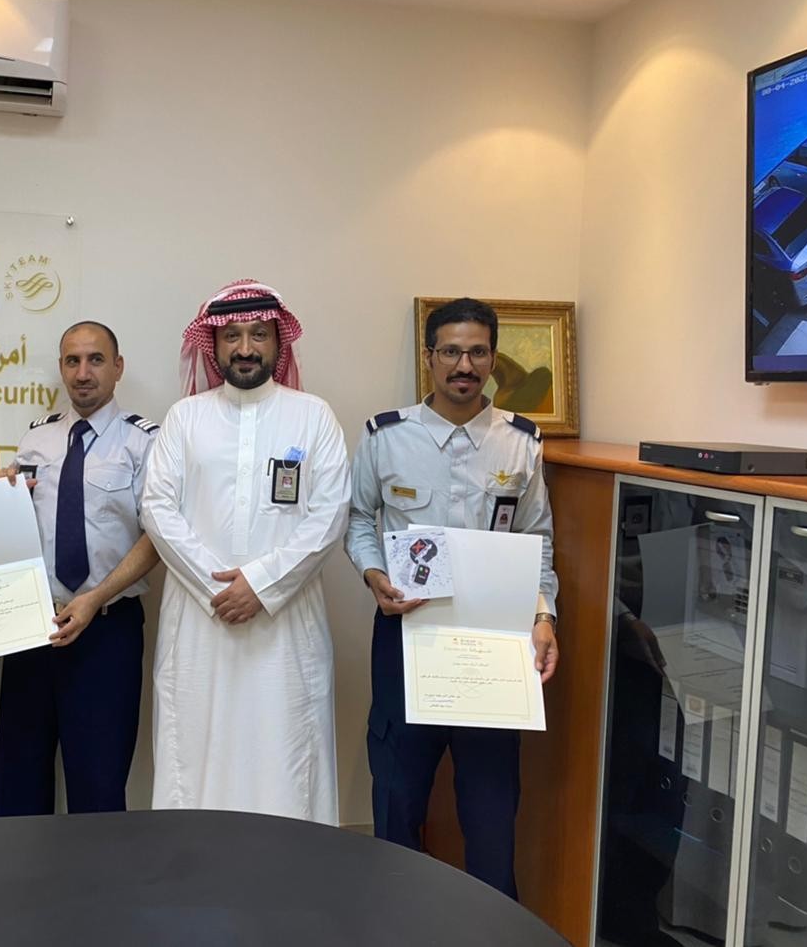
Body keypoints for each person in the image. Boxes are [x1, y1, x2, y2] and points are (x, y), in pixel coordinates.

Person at [345, 296, 559, 898]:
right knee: (398, 799)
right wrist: (373, 576)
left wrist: (544, 617)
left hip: (493, 645)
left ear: (493, 358)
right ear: (430, 357)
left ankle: (494, 930)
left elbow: (538, 541)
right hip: (407, 637)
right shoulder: (386, 436)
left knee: (491, 811)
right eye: (451, 352)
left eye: (478, 352)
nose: (464, 365)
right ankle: (392, 923)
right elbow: (359, 521)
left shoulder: (520, 441)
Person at [140, 279, 350, 824]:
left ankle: (288, 868)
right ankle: (194, 865)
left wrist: (261, 584)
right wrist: (218, 587)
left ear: (279, 342)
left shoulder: (313, 416)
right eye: (231, 336)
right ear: (213, 345)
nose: (245, 348)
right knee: (194, 747)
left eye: (259, 334)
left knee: (287, 747)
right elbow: (157, 508)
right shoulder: (185, 418)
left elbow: (330, 513)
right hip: (200, 620)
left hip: (286, 622)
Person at [0, 321, 159, 816]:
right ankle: (24, 870)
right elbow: (17, 528)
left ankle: (98, 873)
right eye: (72, 361)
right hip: (33, 628)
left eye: (95, 360)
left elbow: (157, 537)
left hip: (107, 630)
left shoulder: (144, 442)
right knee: (19, 780)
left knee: (99, 784)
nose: (83, 373)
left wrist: (94, 599)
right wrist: (0, 500)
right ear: (61, 367)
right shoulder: (36, 439)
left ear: (118, 367)